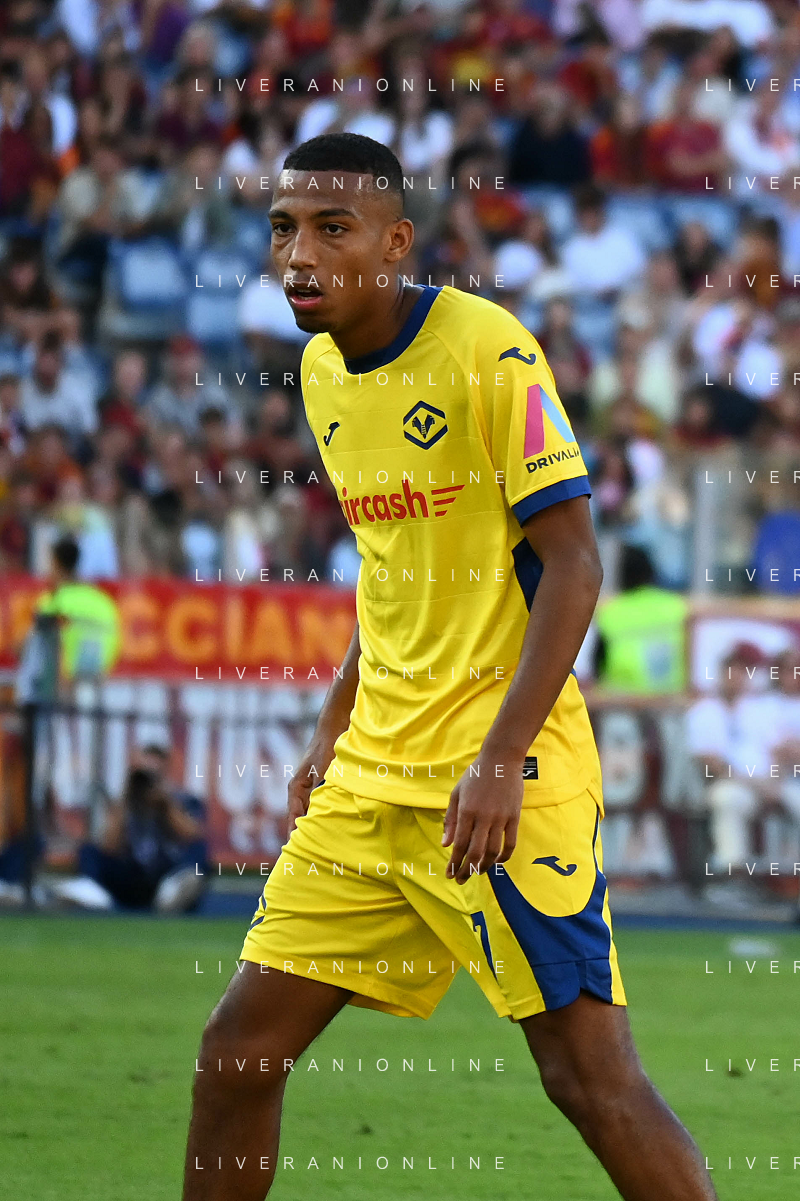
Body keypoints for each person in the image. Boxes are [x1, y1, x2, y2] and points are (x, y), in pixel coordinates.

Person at [181, 133, 717, 1201]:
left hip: (498, 779)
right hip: (372, 778)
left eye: (332, 229)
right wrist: (334, 722)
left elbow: (574, 563)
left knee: (587, 1078)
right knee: (237, 1052)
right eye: (283, 228)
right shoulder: (322, 372)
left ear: (396, 243)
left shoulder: (488, 349)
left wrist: (502, 759)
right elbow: (390, 570)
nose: (299, 254)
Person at [52, 749, 208, 912]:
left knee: (198, 850)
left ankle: (174, 893)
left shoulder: (183, 800)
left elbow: (192, 835)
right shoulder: (124, 803)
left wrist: (165, 804)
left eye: (154, 775)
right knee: (88, 849)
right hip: (130, 873)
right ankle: (94, 892)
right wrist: (126, 800)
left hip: (164, 872)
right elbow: (109, 845)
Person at [594, 544, 688, 693]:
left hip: (620, 696)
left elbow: (597, 664)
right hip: (670, 696)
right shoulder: (676, 606)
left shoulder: (610, 612)